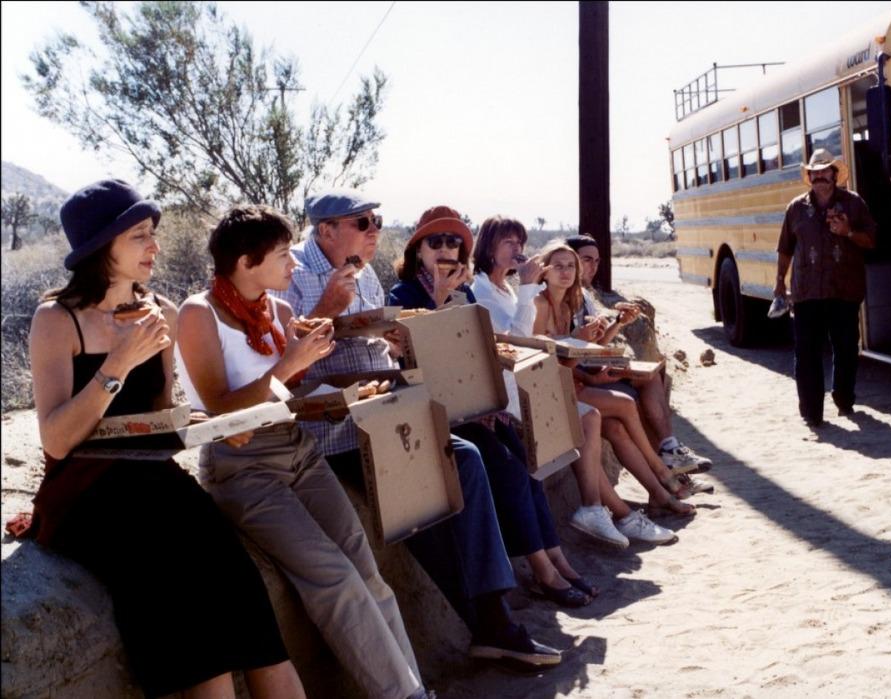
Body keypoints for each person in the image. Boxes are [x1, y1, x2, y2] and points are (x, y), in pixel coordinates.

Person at [25, 180, 302, 699]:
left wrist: (210, 426)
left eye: (153, 234)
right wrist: (118, 363)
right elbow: (57, 442)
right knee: (177, 597)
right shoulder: (56, 320)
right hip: (88, 491)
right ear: (101, 246)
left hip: (153, 478)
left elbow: (155, 420)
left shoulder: (162, 312)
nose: (155, 247)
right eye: (139, 236)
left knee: (237, 583)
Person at [277, 190, 561, 666]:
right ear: (325, 229)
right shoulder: (293, 275)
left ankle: (494, 615)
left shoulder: (362, 274)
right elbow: (283, 370)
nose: (374, 232)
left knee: (465, 464)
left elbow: (381, 352)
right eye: (363, 222)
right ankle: (492, 623)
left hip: (385, 405)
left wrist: (392, 341)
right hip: (335, 426)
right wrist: (327, 308)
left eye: (378, 222)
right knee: (429, 498)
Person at [176, 205, 429, 699]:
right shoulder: (197, 314)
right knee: (332, 576)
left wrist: (342, 400)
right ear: (247, 262)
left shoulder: (281, 311)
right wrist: (288, 365)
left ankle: (415, 686)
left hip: (297, 447)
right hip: (243, 468)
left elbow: (291, 399)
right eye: (282, 255)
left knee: (366, 569)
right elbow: (223, 417)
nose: (293, 265)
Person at [390, 207, 596, 608]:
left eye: (454, 243)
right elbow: (413, 359)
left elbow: (474, 350)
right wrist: (437, 298)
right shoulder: (405, 295)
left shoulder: (465, 293)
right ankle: (543, 572)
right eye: (436, 242)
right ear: (418, 250)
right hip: (435, 410)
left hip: (473, 406)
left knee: (529, 468)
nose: (446, 249)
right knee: (508, 472)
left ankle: (557, 559)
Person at [472, 217, 679, 545]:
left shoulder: (507, 290)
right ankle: (630, 502)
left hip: (536, 387)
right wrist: (530, 291)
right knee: (588, 419)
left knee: (595, 419)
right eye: (508, 242)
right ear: (488, 248)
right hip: (514, 398)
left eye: (520, 243)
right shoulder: (482, 293)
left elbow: (541, 347)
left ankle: (615, 506)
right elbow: (517, 342)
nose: (518, 250)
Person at [534, 243, 697, 520]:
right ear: (544, 271)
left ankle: (659, 496)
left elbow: (576, 356)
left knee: (617, 429)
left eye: (570, 266)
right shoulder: (540, 304)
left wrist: (613, 327)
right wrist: (584, 355)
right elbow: (541, 361)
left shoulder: (567, 304)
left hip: (573, 383)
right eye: (558, 266)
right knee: (625, 404)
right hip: (552, 392)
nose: (566, 272)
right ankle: (663, 474)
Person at [563, 234, 713, 496]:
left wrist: (619, 322)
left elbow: (596, 342)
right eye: (586, 260)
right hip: (578, 375)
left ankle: (670, 452)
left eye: (596, 261)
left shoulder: (584, 294)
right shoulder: (560, 296)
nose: (592, 267)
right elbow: (561, 351)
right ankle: (673, 477)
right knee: (635, 402)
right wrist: (591, 375)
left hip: (592, 363)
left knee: (654, 375)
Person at [773, 149, 877, 428]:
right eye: (815, 173)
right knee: (806, 352)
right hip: (806, 291)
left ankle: (844, 399)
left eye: (825, 171)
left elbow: (871, 240)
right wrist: (779, 283)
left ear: (834, 174)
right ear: (810, 177)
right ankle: (812, 413)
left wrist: (848, 233)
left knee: (845, 348)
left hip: (844, 289)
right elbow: (785, 249)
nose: (820, 177)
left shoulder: (854, 204)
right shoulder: (796, 208)